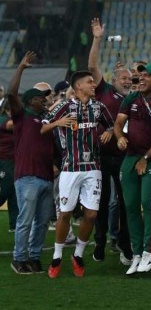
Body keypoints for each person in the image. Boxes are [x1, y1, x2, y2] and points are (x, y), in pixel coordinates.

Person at [42, 70, 115, 278]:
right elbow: (42, 128)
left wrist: (110, 131)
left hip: (93, 168)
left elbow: (112, 124)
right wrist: (58, 123)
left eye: (93, 81)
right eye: (89, 82)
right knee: (65, 214)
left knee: (91, 214)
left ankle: (78, 255)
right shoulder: (64, 107)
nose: (94, 85)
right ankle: (57, 257)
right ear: (78, 87)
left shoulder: (99, 107)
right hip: (70, 169)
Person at [87, 18, 133, 264]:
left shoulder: (134, 98)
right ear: (114, 80)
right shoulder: (104, 90)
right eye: (123, 78)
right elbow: (92, 64)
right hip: (102, 154)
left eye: (130, 78)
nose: (128, 81)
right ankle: (101, 242)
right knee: (102, 201)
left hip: (125, 155)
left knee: (126, 203)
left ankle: (125, 245)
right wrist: (97, 38)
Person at [7, 52, 56, 274]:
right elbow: (11, 92)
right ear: (29, 101)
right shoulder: (21, 115)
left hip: (46, 176)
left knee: (42, 222)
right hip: (27, 176)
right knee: (25, 220)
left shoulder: (47, 120)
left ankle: (34, 257)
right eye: (39, 97)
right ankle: (18, 258)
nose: (44, 99)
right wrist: (21, 67)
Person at [115, 63, 151, 275]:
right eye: (139, 76)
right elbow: (118, 123)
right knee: (130, 205)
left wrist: (145, 157)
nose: (140, 79)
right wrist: (120, 137)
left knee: (146, 203)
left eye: (146, 76)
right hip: (131, 157)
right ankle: (137, 253)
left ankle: (150, 251)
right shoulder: (131, 99)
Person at [0, 100, 18, 233]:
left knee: (14, 192)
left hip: (15, 160)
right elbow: (11, 126)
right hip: (3, 160)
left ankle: (14, 224)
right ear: (6, 109)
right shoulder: (2, 119)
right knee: (5, 190)